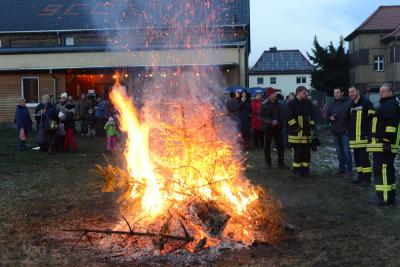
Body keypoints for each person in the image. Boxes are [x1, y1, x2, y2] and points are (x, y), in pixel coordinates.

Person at [367, 84, 400, 206]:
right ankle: (389, 197)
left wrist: (386, 141)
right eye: (380, 91)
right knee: (386, 171)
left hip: (384, 145)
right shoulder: (387, 105)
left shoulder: (390, 105)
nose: (380, 93)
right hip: (381, 145)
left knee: (382, 171)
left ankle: (385, 199)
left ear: (391, 92)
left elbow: (392, 124)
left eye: (383, 91)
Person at [348, 86, 374, 187]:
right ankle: (360, 177)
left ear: (358, 91)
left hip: (363, 137)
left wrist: (369, 133)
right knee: (357, 159)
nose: (351, 94)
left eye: (352, 92)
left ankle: (367, 180)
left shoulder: (366, 103)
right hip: (354, 138)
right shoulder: (351, 105)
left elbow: (372, 119)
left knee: (364, 159)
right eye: (349, 93)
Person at [287, 86, 315, 177]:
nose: (306, 94)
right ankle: (297, 171)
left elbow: (313, 115)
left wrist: (311, 124)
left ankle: (305, 170)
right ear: (298, 93)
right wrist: (295, 126)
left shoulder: (308, 103)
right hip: (296, 134)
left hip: (306, 133)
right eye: (304, 93)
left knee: (307, 153)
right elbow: (288, 117)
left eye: (306, 93)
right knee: (297, 153)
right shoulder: (291, 104)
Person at [327, 87, 353, 178]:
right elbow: (327, 115)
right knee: (339, 152)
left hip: (344, 131)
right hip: (335, 131)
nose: (335, 94)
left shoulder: (348, 103)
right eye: (334, 93)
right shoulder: (332, 104)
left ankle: (349, 171)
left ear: (342, 93)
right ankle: (341, 169)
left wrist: (348, 128)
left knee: (346, 152)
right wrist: (330, 118)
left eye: (337, 92)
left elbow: (352, 117)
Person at [258, 88, 285, 169]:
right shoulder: (264, 104)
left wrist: (282, 123)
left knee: (280, 146)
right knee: (267, 146)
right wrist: (271, 121)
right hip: (268, 128)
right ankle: (268, 164)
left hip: (278, 128)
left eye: (275, 93)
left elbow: (282, 114)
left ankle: (281, 163)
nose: (275, 95)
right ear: (269, 95)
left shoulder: (279, 104)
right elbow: (260, 115)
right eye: (273, 94)